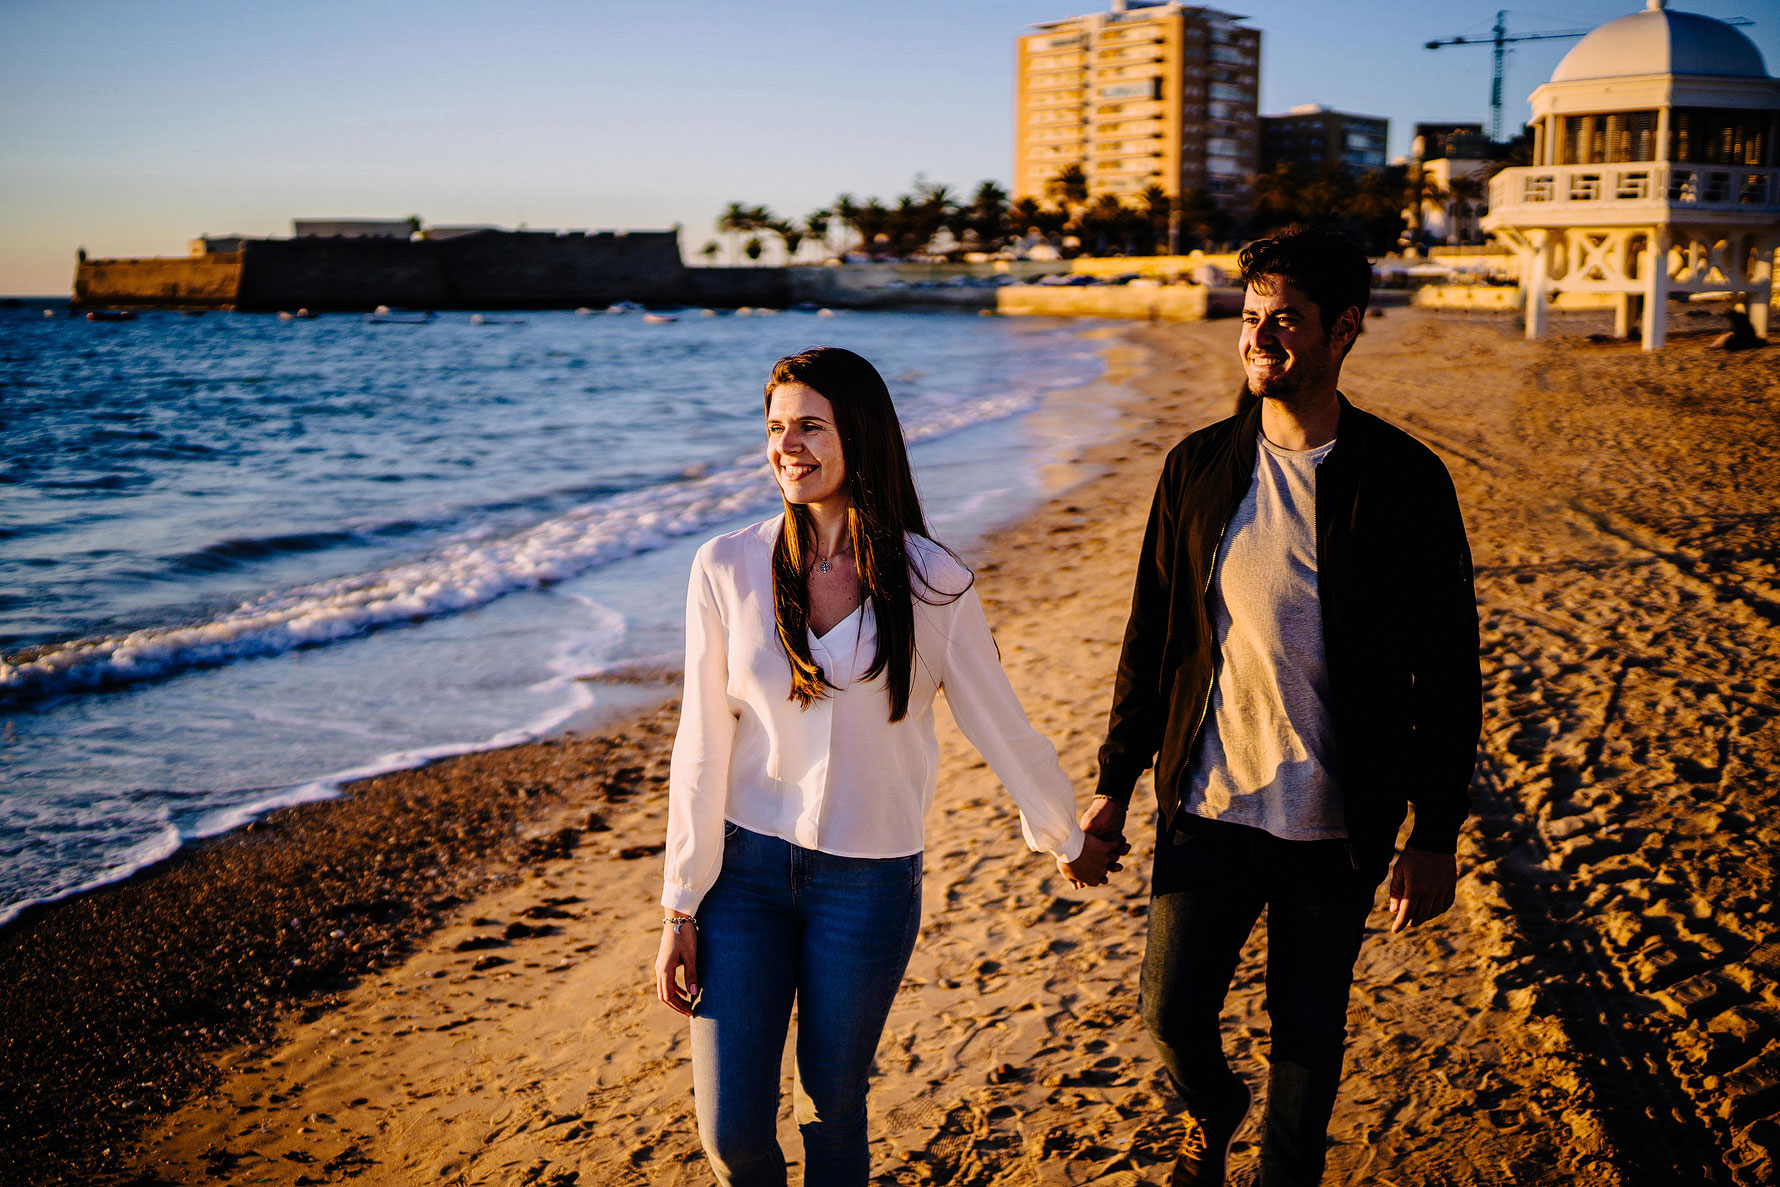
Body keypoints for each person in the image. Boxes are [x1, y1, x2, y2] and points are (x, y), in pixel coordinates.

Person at [654, 346, 1122, 1186]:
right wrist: (680, 902)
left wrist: (1060, 833)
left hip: (867, 885)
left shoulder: (932, 580)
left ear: (858, 434)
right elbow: (701, 743)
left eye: (808, 426)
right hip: (745, 877)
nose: (786, 446)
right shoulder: (725, 566)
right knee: (732, 1135)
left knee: (832, 1113)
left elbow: (998, 722)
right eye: (774, 428)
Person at [1084, 229, 1480, 1186]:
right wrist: (1112, 785)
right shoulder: (1199, 466)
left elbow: (1451, 667)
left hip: (1334, 821)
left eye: (1287, 320)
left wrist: (1435, 833)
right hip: (1208, 805)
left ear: (1344, 330)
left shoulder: (1405, 480)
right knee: (1170, 1013)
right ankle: (1215, 1107)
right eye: (1253, 318)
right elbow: (1156, 639)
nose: (1261, 337)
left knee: (1306, 1032)